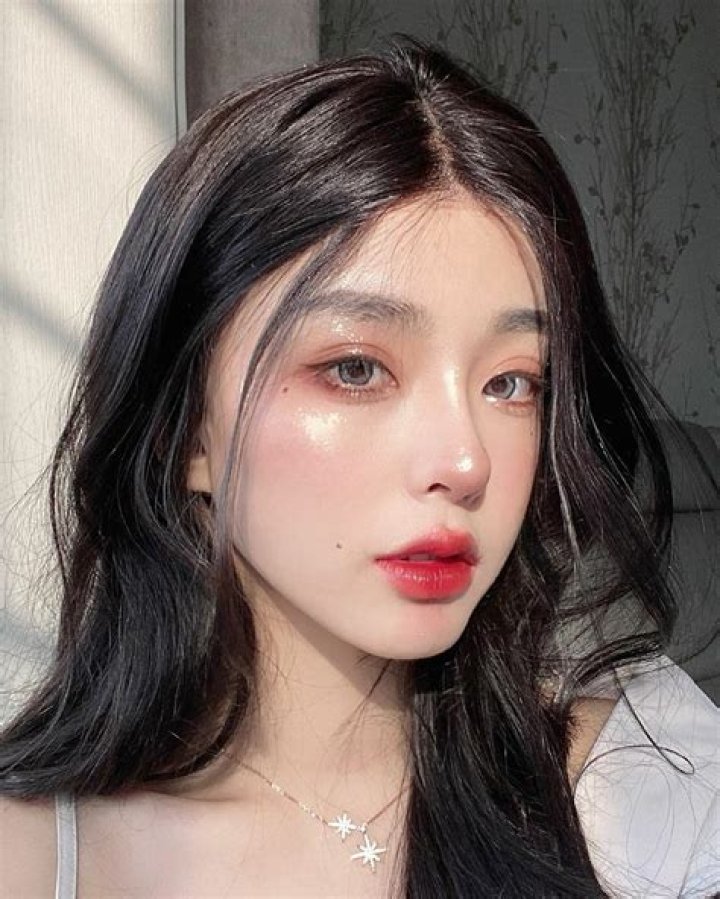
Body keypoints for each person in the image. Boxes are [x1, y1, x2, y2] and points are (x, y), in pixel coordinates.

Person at [0, 39, 717, 898]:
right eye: (355, 368)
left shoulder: (645, 788)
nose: (465, 460)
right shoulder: (34, 856)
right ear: (182, 431)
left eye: (511, 381)